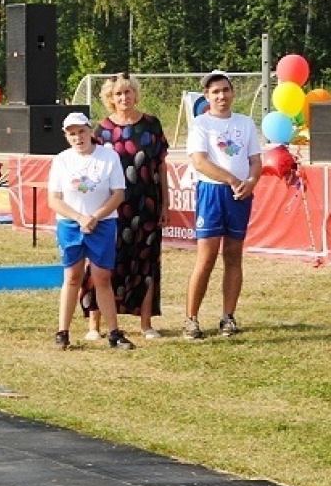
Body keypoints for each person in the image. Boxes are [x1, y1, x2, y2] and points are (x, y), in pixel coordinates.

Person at [80, 73, 170, 340]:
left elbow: (161, 167)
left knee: (147, 263)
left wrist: (166, 203)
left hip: (147, 205)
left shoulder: (152, 125)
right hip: (111, 208)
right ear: (110, 98)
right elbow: (92, 169)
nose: (124, 97)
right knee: (102, 262)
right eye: (118, 93)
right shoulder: (102, 131)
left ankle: (146, 324)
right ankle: (95, 325)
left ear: (135, 94)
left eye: (128, 92)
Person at [183, 70, 262, 339]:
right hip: (212, 193)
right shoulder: (200, 125)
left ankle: (228, 317)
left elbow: (255, 161)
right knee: (206, 259)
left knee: (233, 255)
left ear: (233, 93)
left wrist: (250, 182)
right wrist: (231, 179)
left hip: (239, 195)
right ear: (207, 96)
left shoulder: (246, 123)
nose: (221, 96)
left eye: (225, 90)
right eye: (215, 92)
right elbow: (200, 162)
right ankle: (191, 319)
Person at [47, 112, 135, 351]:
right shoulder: (62, 160)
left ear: (90, 131)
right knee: (72, 276)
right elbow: (54, 200)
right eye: (72, 134)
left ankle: (114, 333)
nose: (78, 138)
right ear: (67, 137)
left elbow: (118, 193)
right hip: (70, 224)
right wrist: (79, 217)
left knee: (102, 277)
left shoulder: (109, 157)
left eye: (82, 132)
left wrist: (95, 217)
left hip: (102, 224)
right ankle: (62, 332)